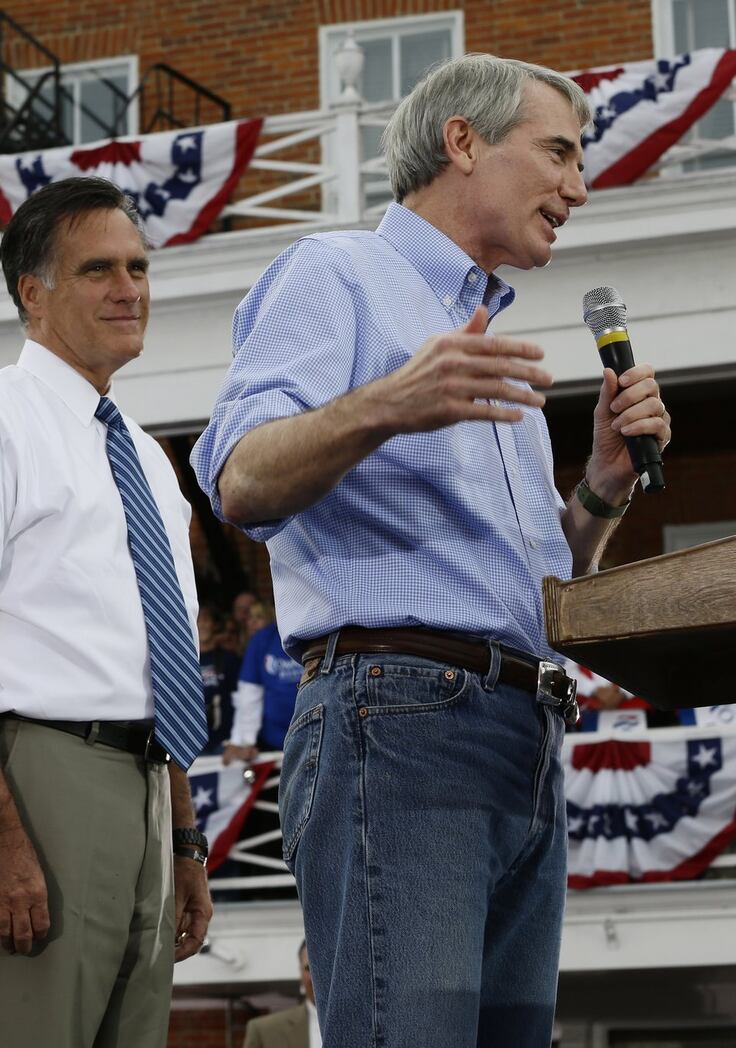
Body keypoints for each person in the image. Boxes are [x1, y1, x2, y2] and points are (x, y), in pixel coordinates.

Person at [192, 55, 671, 1046]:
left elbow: (539, 591)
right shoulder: (338, 274)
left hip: (523, 734)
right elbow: (238, 478)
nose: (578, 187)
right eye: (558, 153)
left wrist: (601, 488)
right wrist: (385, 403)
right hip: (401, 723)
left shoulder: (480, 336)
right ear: (462, 141)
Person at [0, 176, 213, 1048]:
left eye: (139, 268)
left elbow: (165, 662)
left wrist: (185, 842)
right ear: (33, 293)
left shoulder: (149, 461)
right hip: (34, 780)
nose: (129, 289)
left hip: (146, 787)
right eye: (99, 269)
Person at [223, 608, 302, 763]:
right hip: (272, 742)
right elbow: (249, 693)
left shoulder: (315, 635)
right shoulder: (262, 639)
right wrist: (244, 741)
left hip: (317, 736)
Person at [243, 942, 319, 1048]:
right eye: (310, 968)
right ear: (301, 976)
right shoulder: (264, 1031)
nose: (320, 975)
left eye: (329, 965)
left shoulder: (350, 1025)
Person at [197, 607, 242, 756]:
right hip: (193, 742)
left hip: (224, 743)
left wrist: (238, 739)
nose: (202, 625)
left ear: (214, 625)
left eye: (206, 620)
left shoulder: (228, 658)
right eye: (198, 620)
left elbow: (241, 699)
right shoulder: (185, 661)